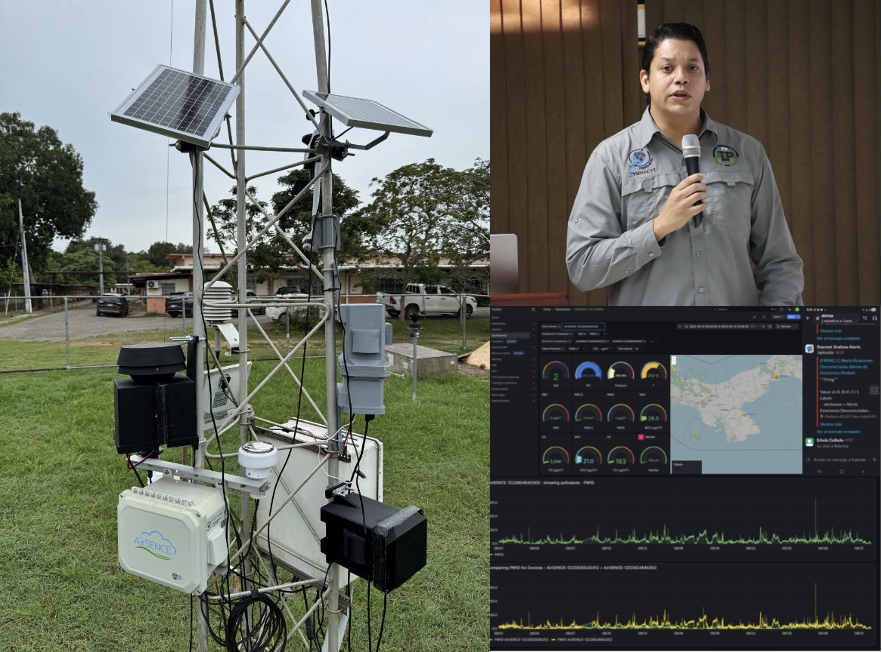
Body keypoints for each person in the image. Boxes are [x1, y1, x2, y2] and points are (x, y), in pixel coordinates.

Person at [566, 23, 804, 306]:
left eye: (692, 68)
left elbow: (780, 263)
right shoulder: (611, 158)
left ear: (707, 81)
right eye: (667, 68)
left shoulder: (747, 152)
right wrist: (657, 228)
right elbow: (583, 266)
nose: (681, 78)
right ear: (645, 80)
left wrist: (772, 331)